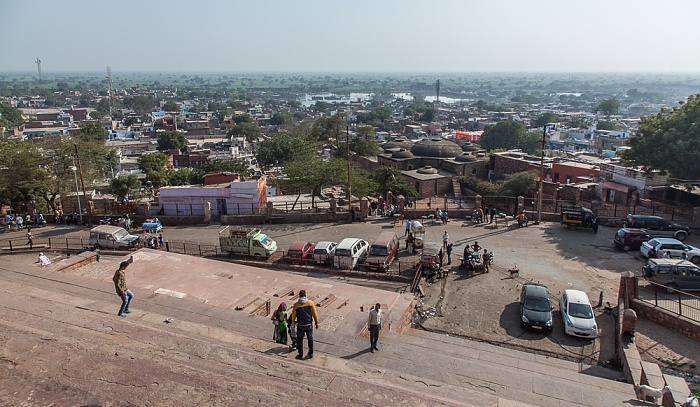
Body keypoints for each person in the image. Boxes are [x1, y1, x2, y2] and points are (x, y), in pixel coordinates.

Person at [291, 289, 319, 360]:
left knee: (300, 340)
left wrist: (293, 322)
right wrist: (316, 322)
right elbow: (314, 314)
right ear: (305, 295)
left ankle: (300, 354)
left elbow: (293, 315)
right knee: (310, 339)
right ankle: (311, 353)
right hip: (309, 324)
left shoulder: (296, 305)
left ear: (299, 296)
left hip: (300, 325)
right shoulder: (310, 303)